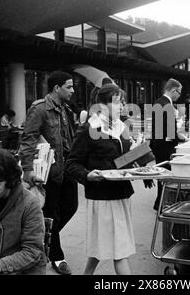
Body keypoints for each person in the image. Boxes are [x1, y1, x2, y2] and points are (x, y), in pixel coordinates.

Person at [66, 84, 136, 275]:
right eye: (117, 102)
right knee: (119, 251)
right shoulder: (89, 129)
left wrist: (139, 164)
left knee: (102, 245)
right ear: (102, 105)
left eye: (122, 102)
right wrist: (87, 175)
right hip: (103, 197)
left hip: (121, 193)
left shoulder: (121, 126)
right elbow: (72, 164)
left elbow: (121, 160)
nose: (122, 106)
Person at [19, 70, 78, 275]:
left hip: (67, 169)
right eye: (69, 86)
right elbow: (28, 139)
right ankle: (56, 256)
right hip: (48, 172)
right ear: (56, 88)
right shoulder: (40, 109)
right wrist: (27, 170)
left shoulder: (66, 109)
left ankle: (42, 239)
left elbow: (69, 139)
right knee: (51, 213)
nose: (73, 90)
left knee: (71, 206)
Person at [150, 78, 183, 211]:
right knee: (166, 175)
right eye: (179, 93)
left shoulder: (159, 102)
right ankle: (161, 203)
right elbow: (169, 131)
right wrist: (180, 139)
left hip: (159, 144)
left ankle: (159, 202)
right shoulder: (167, 105)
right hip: (165, 146)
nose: (179, 96)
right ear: (174, 90)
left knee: (161, 175)